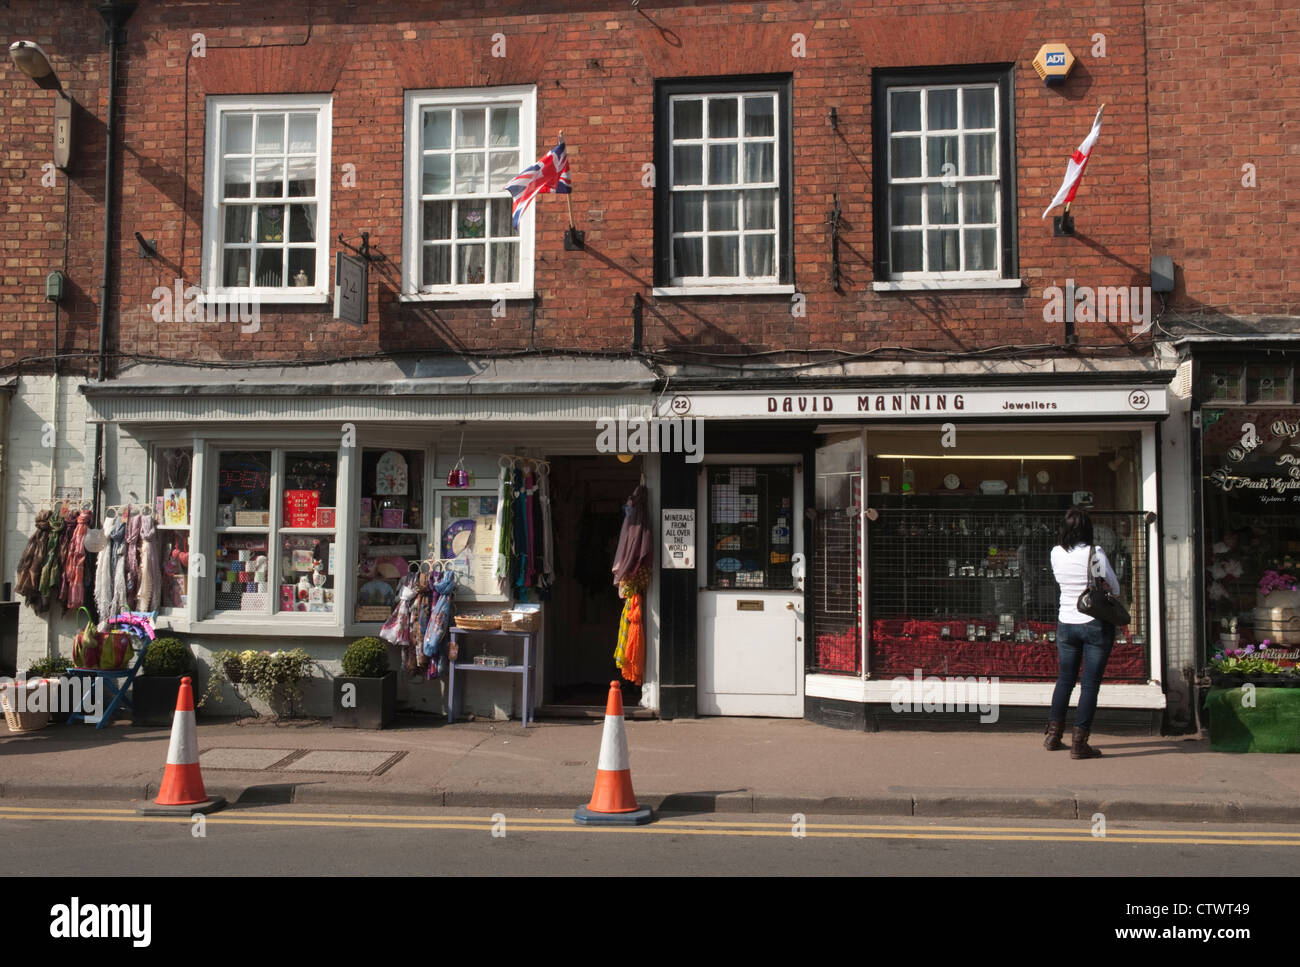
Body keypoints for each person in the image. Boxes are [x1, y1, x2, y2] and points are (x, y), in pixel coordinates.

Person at [1045, 506, 1121, 759]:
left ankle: (1053, 735)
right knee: (1089, 685)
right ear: (1088, 529)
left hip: (1066, 622)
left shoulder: (1056, 553)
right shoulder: (1095, 553)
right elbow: (1115, 588)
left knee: (1064, 679)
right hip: (1094, 623)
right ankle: (1080, 742)